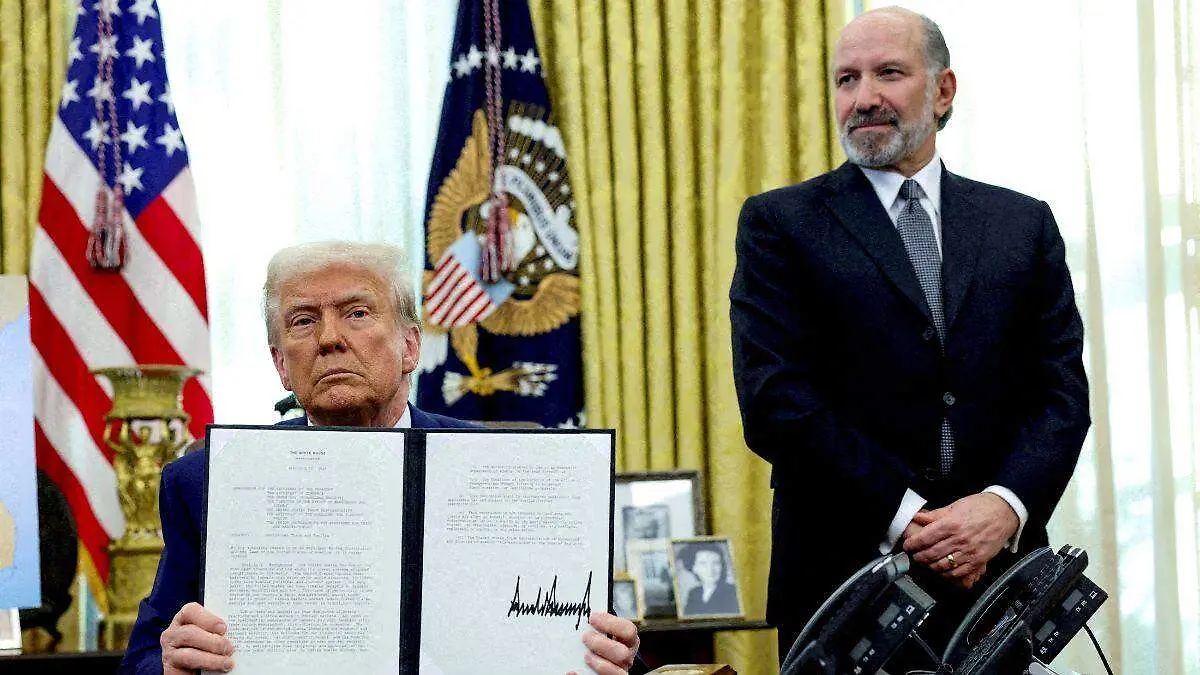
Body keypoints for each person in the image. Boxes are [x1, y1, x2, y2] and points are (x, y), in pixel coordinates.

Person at [729, 6, 1090, 664]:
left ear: (943, 90)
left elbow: (1061, 395)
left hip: (998, 587)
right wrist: (909, 519)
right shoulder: (779, 224)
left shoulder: (1023, 224)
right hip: (842, 590)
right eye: (846, 79)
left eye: (888, 73)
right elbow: (775, 401)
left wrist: (1003, 507)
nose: (863, 97)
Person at [120, 241, 642, 675]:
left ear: (410, 346)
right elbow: (140, 661)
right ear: (281, 365)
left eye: (357, 313)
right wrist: (169, 664)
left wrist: (615, 657)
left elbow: (597, 644)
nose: (329, 339)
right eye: (303, 321)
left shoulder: (513, 471)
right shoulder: (206, 481)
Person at [678, 543, 739, 617]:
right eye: (703, 563)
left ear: (722, 566)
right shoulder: (694, 593)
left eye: (716, 563)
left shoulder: (733, 591)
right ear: (694, 568)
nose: (710, 569)